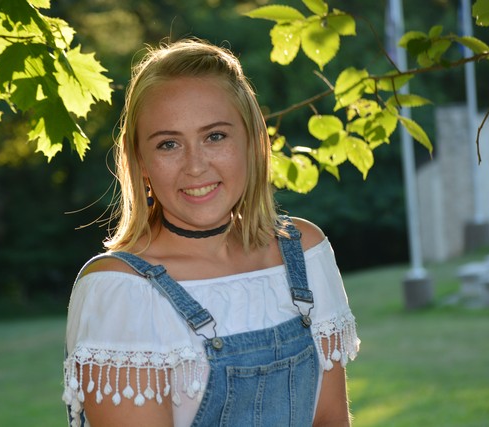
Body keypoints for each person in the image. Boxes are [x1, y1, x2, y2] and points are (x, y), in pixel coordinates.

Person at [63, 38, 360, 427]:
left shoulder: (304, 253)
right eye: (168, 144)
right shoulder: (123, 290)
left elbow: (330, 420)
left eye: (215, 136)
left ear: (253, 140)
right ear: (141, 162)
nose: (195, 166)